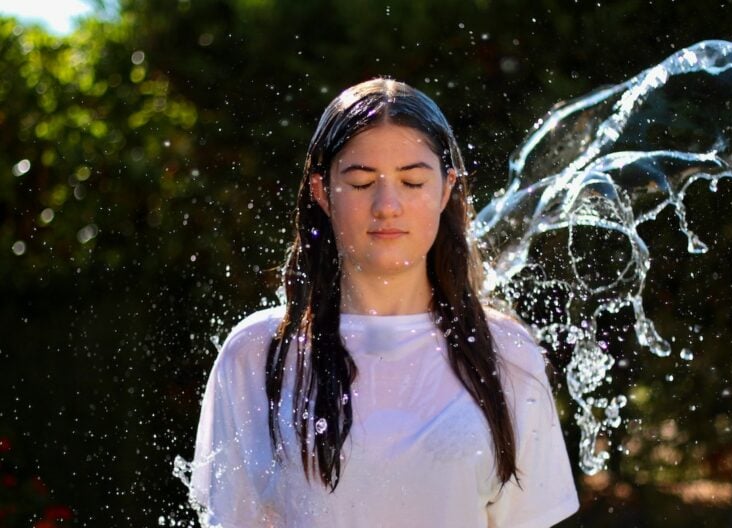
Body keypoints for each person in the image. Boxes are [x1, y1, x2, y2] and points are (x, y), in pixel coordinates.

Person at [190, 78, 579, 527]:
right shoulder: (258, 353)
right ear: (322, 191)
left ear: (446, 189)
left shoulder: (506, 353)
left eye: (413, 181)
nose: (387, 205)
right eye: (360, 183)